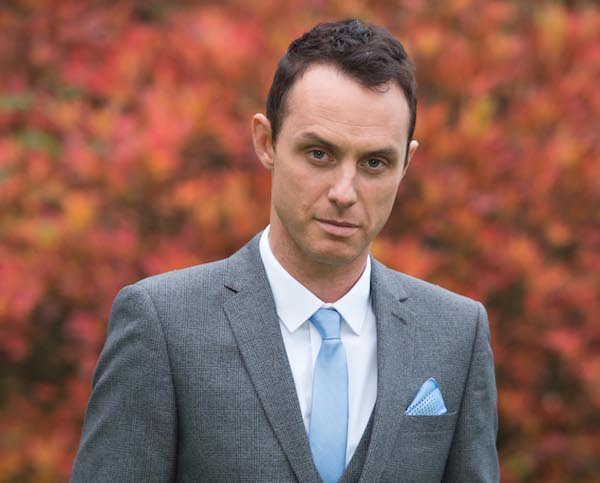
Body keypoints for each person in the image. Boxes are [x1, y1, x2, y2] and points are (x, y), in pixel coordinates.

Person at [71, 19, 499, 482]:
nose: (344, 191)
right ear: (266, 142)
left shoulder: (457, 334)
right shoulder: (163, 324)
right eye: (320, 153)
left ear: (407, 164)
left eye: (375, 162)